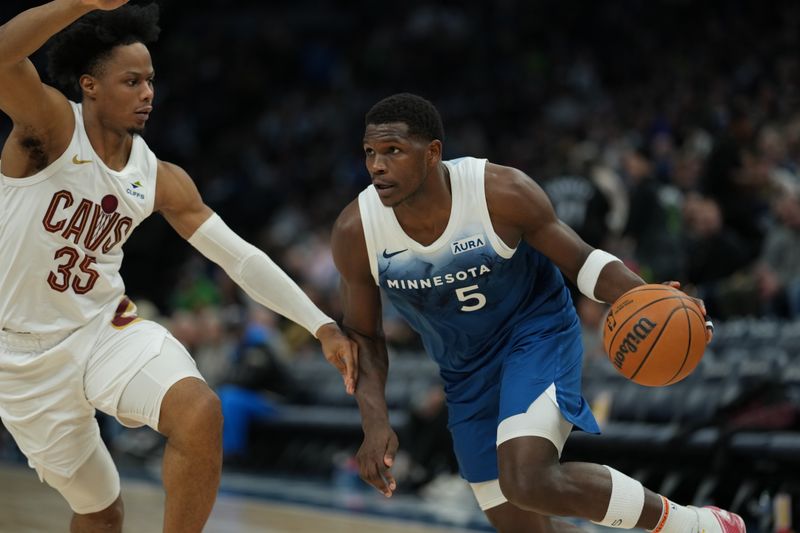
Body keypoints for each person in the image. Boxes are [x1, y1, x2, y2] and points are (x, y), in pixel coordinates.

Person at [0, 2, 357, 532]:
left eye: (151, 80)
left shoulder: (159, 175)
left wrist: (321, 324)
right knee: (100, 513)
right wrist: (81, 2)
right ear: (89, 85)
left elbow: (239, 257)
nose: (147, 92)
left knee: (199, 411)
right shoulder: (49, 128)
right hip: (21, 357)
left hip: (104, 329)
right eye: (131, 80)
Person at [331, 93, 745, 533]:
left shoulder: (499, 191)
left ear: (432, 153)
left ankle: (696, 526)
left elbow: (583, 262)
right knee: (520, 524)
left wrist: (650, 297)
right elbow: (364, 337)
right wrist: (374, 424)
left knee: (527, 478)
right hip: (464, 369)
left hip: (535, 334)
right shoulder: (357, 231)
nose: (377, 165)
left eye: (392, 151)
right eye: (370, 153)